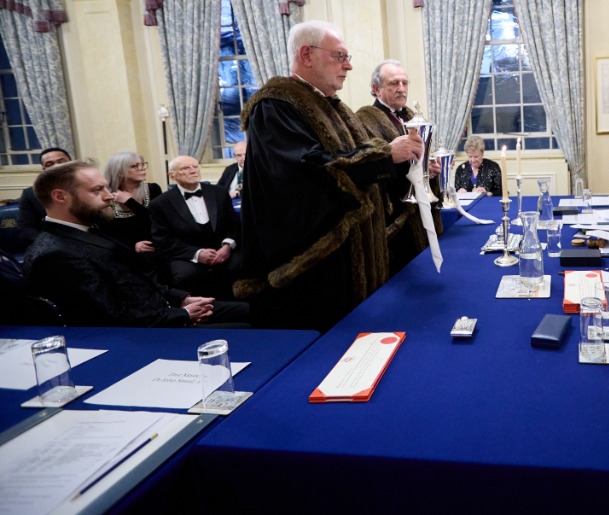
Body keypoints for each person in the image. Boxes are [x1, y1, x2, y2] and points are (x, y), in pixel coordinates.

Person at [237, 20, 422, 331]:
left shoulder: (332, 106)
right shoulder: (275, 105)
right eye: (340, 56)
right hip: (311, 267)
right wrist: (384, 156)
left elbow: (359, 170)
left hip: (351, 258)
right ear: (306, 55)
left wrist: (400, 162)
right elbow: (307, 170)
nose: (348, 66)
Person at [23, 160, 249, 327]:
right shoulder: (55, 255)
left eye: (106, 187)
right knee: (254, 325)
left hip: (166, 309)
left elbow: (135, 283)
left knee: (257, 312)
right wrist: (184, 314)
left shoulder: (90, 228)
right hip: (155, 331)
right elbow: (110, 319)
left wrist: (181, 298)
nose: (109, 196)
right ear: (60, 197)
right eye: (97, 190)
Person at [356, 60, 442, 277]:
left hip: (420, 212)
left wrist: (430, 170)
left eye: (405, 82)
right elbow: (369, 172)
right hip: (394, 218)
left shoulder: (411, 116)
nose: (401, 88)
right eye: (394, 83)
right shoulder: (364, 121)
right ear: (376, 89)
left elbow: (419, 159)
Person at [149, 155, 242, 300]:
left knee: (242, 264)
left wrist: (227, 246)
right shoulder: (160, 203)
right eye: (186, 168)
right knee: (186, 275)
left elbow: (234, 224)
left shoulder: (219, 192)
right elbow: (163, 239)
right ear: (172, 175)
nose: (193, 171)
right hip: (187, 255)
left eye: (195, 166)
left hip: (222, 249)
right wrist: (197, 253)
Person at [100, 152, 162, 254]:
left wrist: (130, 202)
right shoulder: (106, 196)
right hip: (123, 252)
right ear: (119, 172)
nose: (142, 168)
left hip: (156, 247)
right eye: (134, 166)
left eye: (142, 164)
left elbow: (158, 222)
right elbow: (106, 233)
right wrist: (133, 245)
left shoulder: (153, 189)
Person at [16, 147, 72, 249]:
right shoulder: (31, 194)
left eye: (61, 162)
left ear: (71, 163)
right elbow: (26, 229)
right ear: (44, 169)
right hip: (51, 247)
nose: (57, 166)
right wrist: (52, 245)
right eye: (49, 164)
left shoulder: (90, 187)